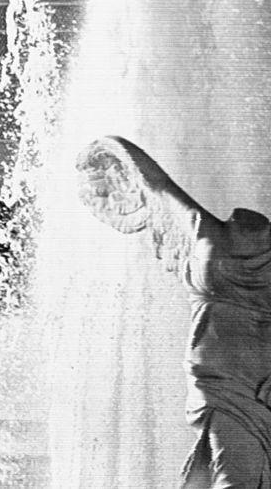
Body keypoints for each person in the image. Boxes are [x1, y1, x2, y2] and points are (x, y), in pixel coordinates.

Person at [77, 135, 271, 489]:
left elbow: (159, 187)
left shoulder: (210, 246)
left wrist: (114, 148)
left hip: (226, 379)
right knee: (233, 469)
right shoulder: (224, 253)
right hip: (233, 382)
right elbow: (161, 187)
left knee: (227, 466)